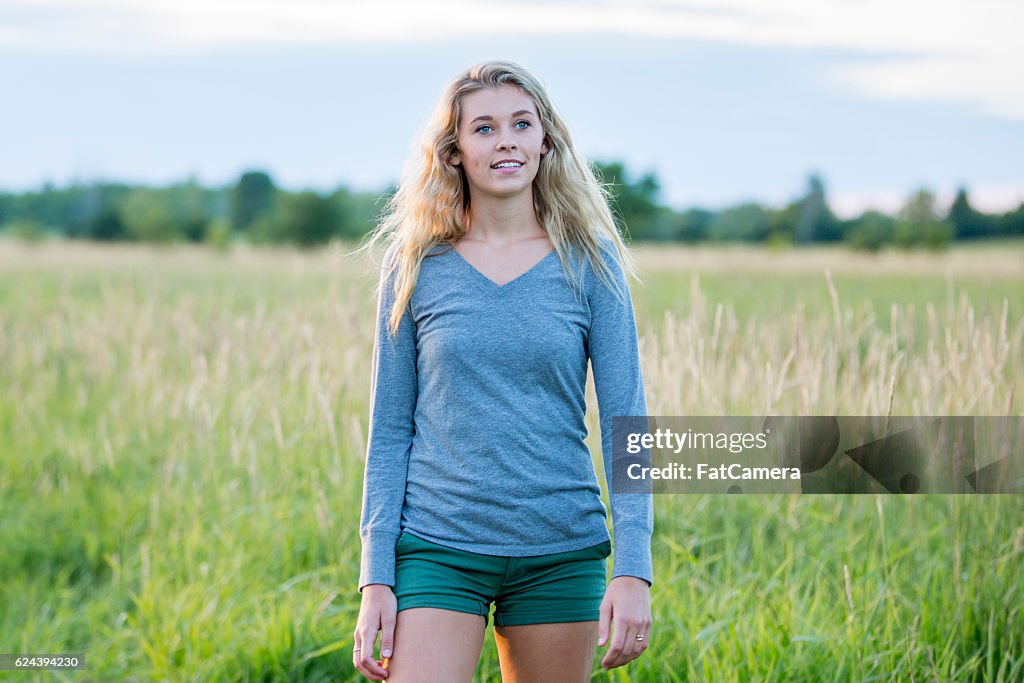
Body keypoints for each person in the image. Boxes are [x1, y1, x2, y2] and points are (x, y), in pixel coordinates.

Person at [352, 60, 653, 682]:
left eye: (522, 123)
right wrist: (375, 576)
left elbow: (629, 424)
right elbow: (388, 433)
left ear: (547, 141)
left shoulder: (590, 263)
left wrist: (633, 569)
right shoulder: (415, 264)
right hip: (437, 547)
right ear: (455, 150)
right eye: (484, 128)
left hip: (559, 547)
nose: (506, 140)